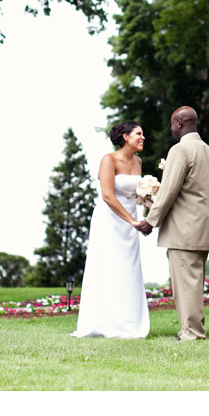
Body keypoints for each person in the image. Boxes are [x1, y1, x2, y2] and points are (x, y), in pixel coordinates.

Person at [136, 106, 209, 341]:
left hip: (185, 229)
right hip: (204, 228)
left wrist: (150, 221)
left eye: (172, 124)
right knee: (192, 283)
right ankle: (189, 328)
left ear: (180, 123)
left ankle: (192, 332)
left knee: (186, 284)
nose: (171, 128)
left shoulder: (181, 150)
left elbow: (170, 190)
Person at [71, 121, 150, 339]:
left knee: (128, 269)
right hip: (110, 220)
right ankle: (103, 323)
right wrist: (131, 222)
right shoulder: (109, 159)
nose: (143, 137)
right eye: (138, 134)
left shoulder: (138, 161)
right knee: (108, 267)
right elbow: (107, 196)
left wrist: (146, 214)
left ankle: (129, 323)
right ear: (125, 137)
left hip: (132, 220)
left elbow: (137, 195)